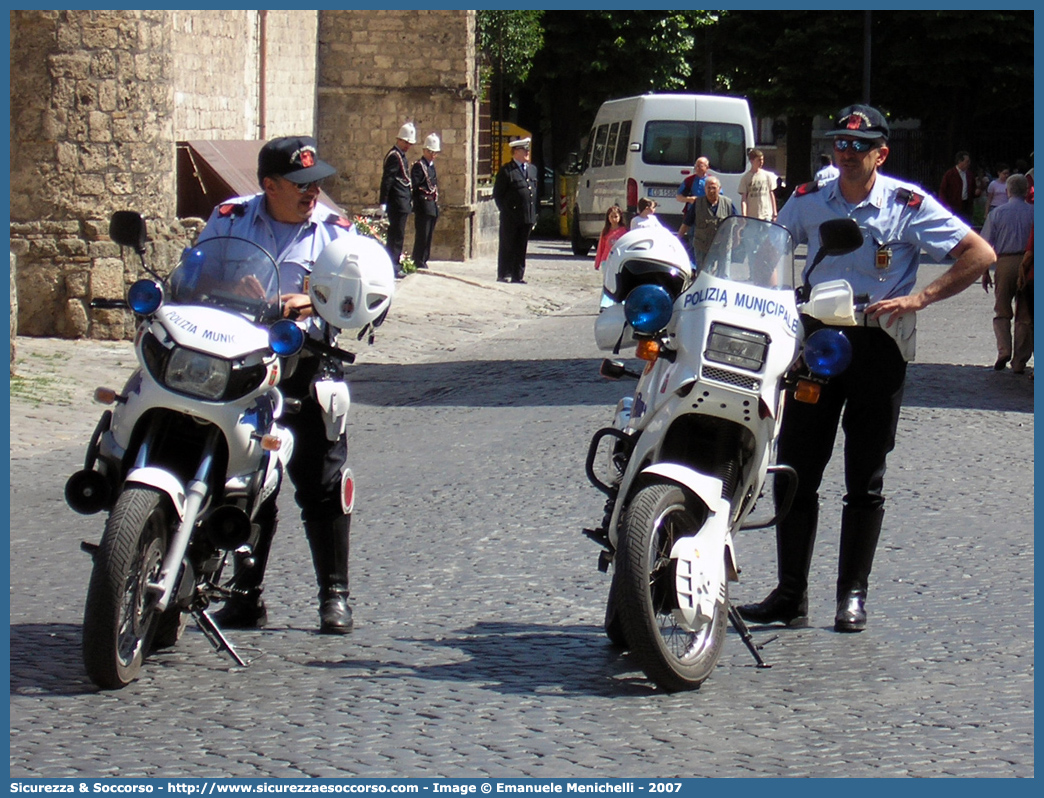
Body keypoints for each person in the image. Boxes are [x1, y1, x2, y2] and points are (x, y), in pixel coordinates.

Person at [737, 105, 995, 634]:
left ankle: (851, 596)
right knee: (796, 472)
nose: (846, 154)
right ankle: (790, 595)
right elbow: (769, 255)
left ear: (881, 153)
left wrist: (919, 298)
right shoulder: (808, 201)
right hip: (819, 345)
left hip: (878, 345)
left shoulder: (906, 204)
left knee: (864, 478)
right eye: (840, 145)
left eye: (859, 147)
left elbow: (980, 253)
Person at [198, 135, 359, 635]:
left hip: (304, 362)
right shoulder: (228, 219)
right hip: (238, 361)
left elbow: (369, 289)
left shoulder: (335, 232)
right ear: (267, 185)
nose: (313, 192)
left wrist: (313, 301)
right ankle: (245, 595)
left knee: (321, 482)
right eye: (300, 184)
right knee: (244, 476)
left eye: (316, 182)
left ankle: (334, 595)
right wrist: (228, 289)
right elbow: (195, 273)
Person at [980, 173, 1034, 373]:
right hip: (1029, 264)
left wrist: (985, 271)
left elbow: (984, 245)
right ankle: (1020, 360)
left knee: (1002, 310)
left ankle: (1004, 349)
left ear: (1008, 191)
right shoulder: (1035, 212)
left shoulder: (997, 213)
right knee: (1025, 314)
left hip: (1004, 262)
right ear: (1028, 190)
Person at [492, 137, 538, 283]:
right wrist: (506, 211)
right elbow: (498, 194)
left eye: (528, 150)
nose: (527, 153)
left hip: (526, 216)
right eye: (525, 150)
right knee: (508, 245)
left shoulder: (532, 170)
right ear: (516, 152)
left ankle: (518, 275)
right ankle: (504, 273)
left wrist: (534, 214)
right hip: (511, 216)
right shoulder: (507, 171)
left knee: (521, 246)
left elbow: (534, 193)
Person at [379, 121, 416, 278]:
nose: (408, 146)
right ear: (399, 140)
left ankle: (395, 263)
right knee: (395, 236)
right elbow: (388, 180)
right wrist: (383, 201)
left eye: (409, 143)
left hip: (402, 202)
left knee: (398, 236)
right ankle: (392, 265)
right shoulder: (394, 156)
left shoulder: (401, 156)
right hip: (396, 202)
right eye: (406, 142)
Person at [688, 176, 737, 266]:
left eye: (714, 188)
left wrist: (737, 237)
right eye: (708, 188)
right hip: (702, 246)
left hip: (723, 245)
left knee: (723, 275)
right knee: (702, 274)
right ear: (705, 189)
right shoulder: (698, 203)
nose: (711, 191)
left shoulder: (728, 203)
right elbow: (687, 223)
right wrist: (678, 238)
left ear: (719, 189)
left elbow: (737, 222)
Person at [410, 133, 441, 270]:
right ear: (425, 151)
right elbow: (416, 186)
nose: (433, 155)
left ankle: (424, 258)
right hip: (423, 205)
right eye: (431, 152)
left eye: (435, 153)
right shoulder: (419, 166)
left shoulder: (431, 166)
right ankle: (418, 259)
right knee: (422, 234)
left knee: (428, 235)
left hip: (431, 205)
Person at [738, 148, 778, 221]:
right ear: (752, 161)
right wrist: (744, 215)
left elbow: (771, 193)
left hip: (766, 215)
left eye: (762, 160)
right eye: (759, 160)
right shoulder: (745, 178)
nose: (761, 162)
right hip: (752, 216)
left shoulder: (767, 176)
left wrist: (774, 212)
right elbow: (744, 199)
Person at [938, 150, 977, 224]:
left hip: (966, 206)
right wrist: (945, 205)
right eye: (967, 161)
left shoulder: (969, 175)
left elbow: (972, 190)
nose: (969, 164)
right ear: (960, 161)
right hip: (953, 205)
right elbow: (942, 191)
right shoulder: (950, 174)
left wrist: (976, 193)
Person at [593, 205, 627, 270]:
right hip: (606, 260)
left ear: (620, 217)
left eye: (616, 216)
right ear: (608, 217)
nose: (613, 219)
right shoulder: (605, 231)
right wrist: (597, 263)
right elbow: (601, 248)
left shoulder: (624, 231)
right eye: (611, 216)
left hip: (618, 260)